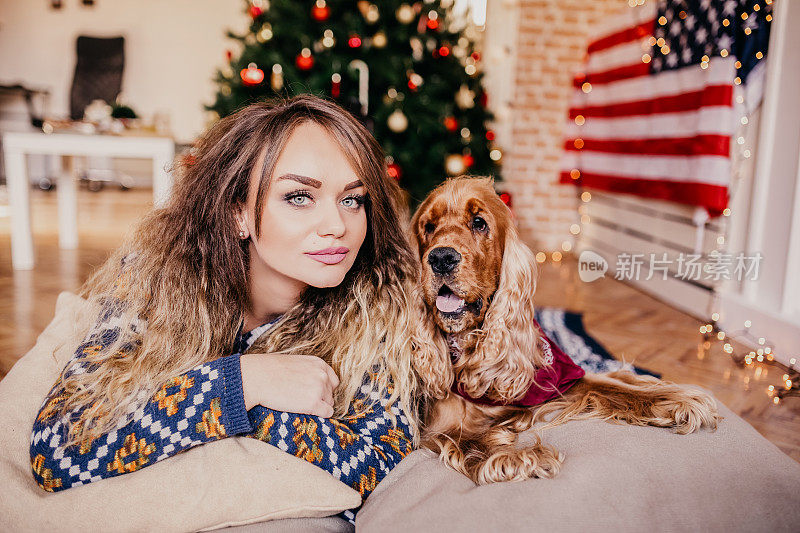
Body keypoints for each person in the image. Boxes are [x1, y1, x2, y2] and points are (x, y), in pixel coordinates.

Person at [30, 95, 424, 523]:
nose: (337, 226)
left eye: (353, 200)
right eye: (299, 197)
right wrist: (240, 383)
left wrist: (246, 411)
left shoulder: (382, 298)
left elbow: (383, 462)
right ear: (238, 212)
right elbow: (60, 447)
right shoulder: (157, 276)